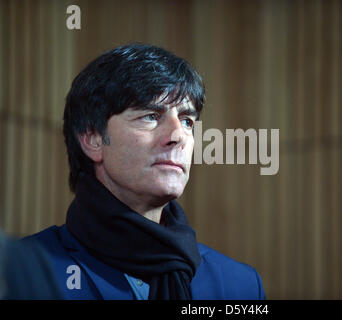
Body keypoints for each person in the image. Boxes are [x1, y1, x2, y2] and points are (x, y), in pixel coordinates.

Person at [23, 43, 265, 300]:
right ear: (93, 139)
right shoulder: (20, 276)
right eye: (150, 116)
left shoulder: (239, 285)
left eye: (187, 121)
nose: (178, 136)